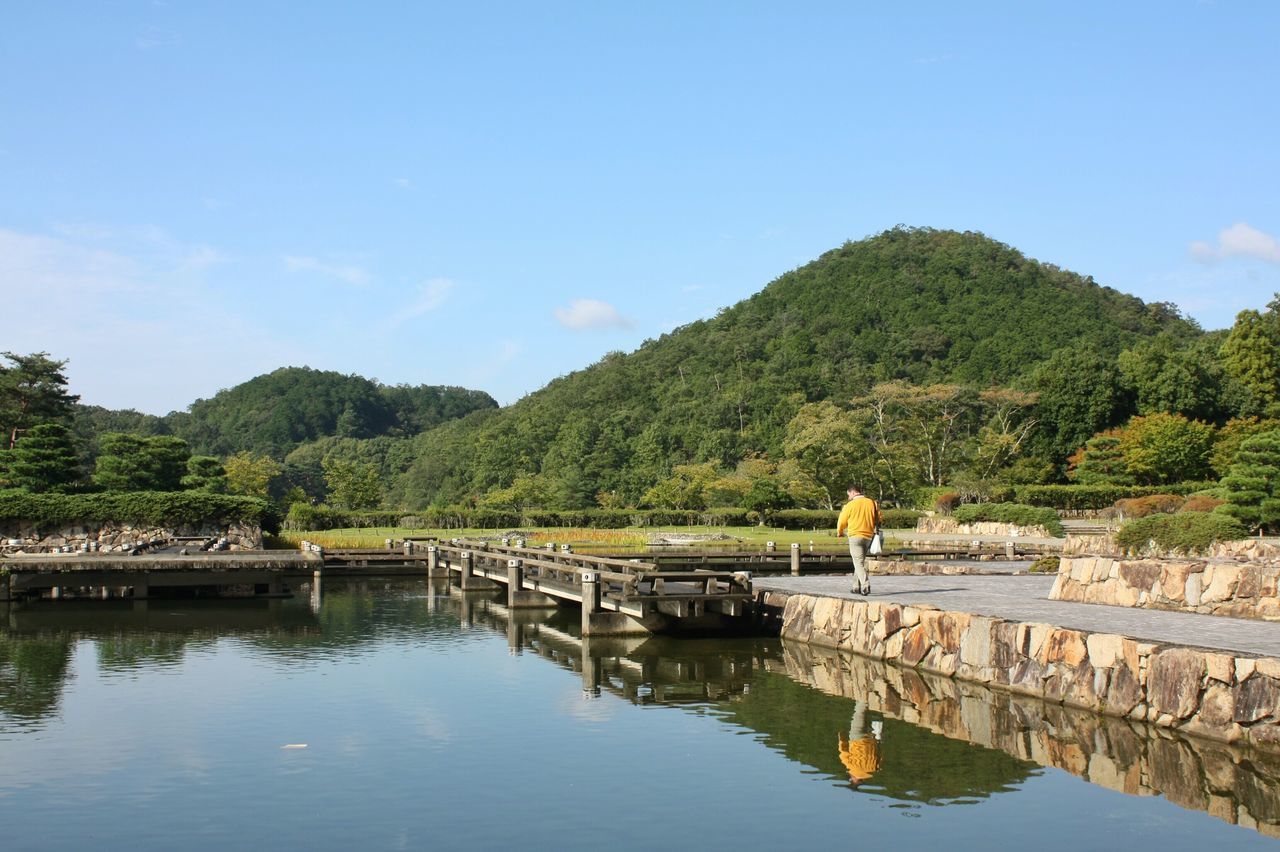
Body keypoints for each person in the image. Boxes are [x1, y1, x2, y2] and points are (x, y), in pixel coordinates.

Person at [835, 484, 882, 595]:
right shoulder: (872, 503)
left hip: (855, 536)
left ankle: (865, 585)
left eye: (849, 494)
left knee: (857, 562)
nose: (848, 497)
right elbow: (879, 518)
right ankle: (856, 587)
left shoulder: (850, 505)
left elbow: (842, 521)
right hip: (868, 536)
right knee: (859, 562)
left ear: (853, 492)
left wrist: (840, 532)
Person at [837, 700, 883, 787]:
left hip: (872, 739)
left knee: (876, 716)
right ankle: (862, 695)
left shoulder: (874, 769)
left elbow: (880, 755)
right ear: (853, 779)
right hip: (856, 738)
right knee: (859, 712)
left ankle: (879, 699)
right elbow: (842, 749)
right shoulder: (851, 767)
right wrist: (840, 735)